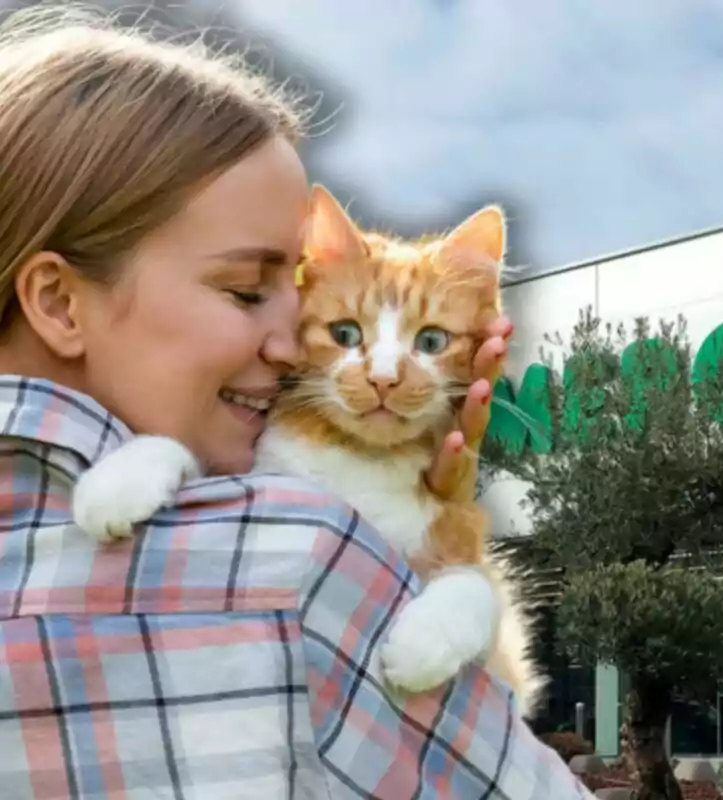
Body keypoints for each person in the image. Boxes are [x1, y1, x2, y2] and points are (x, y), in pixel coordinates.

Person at [0, 7, 592, 799]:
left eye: (296, 289)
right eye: (247, 289)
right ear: (59, 303)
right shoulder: (295, 558)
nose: (291, 339)